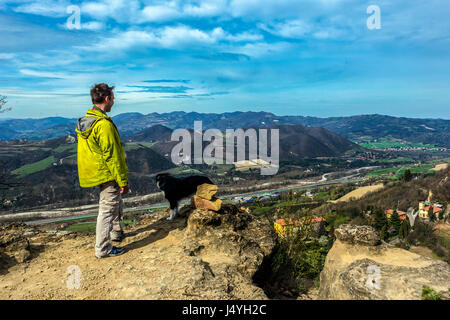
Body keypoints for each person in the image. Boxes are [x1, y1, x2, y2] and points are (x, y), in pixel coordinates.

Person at [75, 83, 129, 258]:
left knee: (113, 202)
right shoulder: (103, 125)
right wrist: (123, 181)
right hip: (107, 173)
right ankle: (103, 249)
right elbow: (112, 156)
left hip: (95, 172)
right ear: (107, 98)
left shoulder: (86, 121)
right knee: (107, 209)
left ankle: (115, 233)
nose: (114, 101)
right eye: (113, 98)